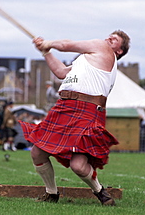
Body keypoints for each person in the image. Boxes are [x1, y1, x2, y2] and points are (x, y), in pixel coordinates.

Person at [18, 30, 130, 206]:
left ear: (119, 51)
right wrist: (46, 52)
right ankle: (51, 193)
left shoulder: (103, 49)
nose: (109, 38)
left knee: (78, 165)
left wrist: (48, 43)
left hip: (87, 109)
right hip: (64, 107)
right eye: (109, 35)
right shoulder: (87, 60)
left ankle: (100, 192)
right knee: (37, 153)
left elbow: (66, 45)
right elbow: (61, 72)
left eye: (115, 39)